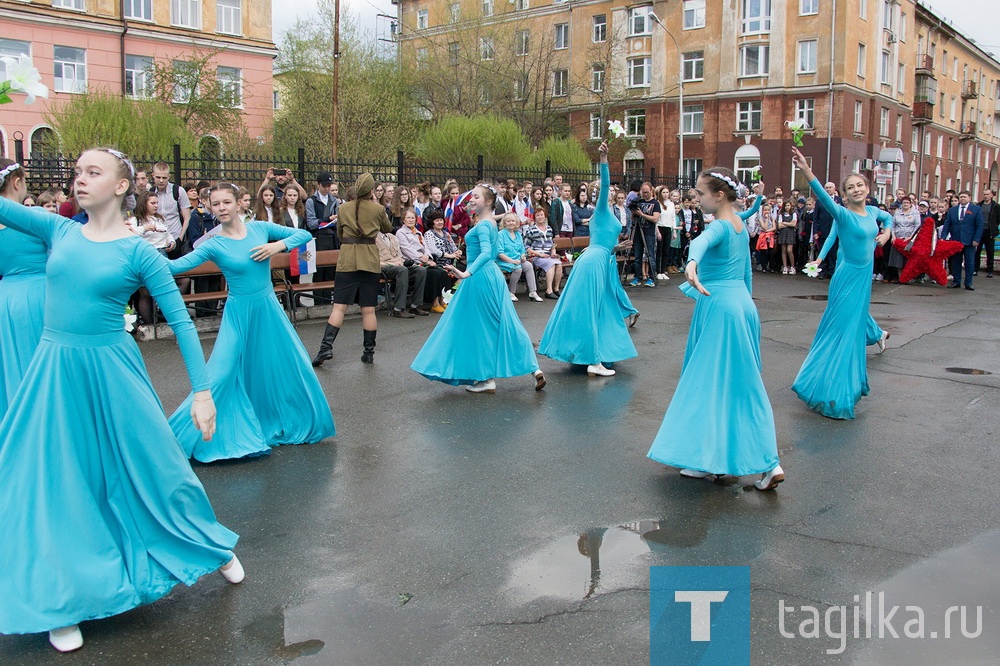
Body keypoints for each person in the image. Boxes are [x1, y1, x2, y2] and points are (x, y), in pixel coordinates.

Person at [0, 148, 242, 653]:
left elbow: (179, 321)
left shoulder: (139, 253)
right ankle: (61, 600)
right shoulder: (57, 230)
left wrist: (202, 392)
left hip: (111, 370)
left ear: (120, 187)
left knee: (154, 466)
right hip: (54, 369)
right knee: (53, 475)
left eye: (93, 172)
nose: (79, 180)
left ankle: (209, 544)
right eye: (77, 172)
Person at [167, 183, 335, 462]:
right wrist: (139, 253)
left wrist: (276, 248)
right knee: (220, 372)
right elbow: (176, 266)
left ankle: (286, 420)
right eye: (216, 204)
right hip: (238, 314)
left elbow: (304, 234)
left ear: (238, 204)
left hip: (268, 309)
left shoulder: (259, 228)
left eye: (226, 202)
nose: (221, 208)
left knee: (286, 366)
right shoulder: (215, 244)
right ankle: (177, 440)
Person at [647, 167, 783, 491]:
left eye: (700, 193)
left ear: (719, 196)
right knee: (737, 385)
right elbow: (747, 272)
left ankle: (764, 460)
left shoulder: (721, 226)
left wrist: (691, 264)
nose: (696, 198)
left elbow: (701, 242)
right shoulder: (740, 226)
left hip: (721, 309)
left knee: (707, 383)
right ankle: (711, 459)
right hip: (742, 306)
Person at [411, 184, 546, 393]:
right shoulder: (490, 222)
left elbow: (484, 253)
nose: (470, 200)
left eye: (475, 197)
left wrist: (466, 273)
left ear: (489, 201)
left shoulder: (484, 225)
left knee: (479, 328)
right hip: (491, 275)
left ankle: (487, 379)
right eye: (470, 197)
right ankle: (532, 368)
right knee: (504, 322)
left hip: (480, 277)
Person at [792, 147, 893, 420]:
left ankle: (839, 382)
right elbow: (824, 198)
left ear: (867, 187)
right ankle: (832, 391)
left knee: (855, 328)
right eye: (851, 187)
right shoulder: (844, 215)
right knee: (843, 333)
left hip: (864, 278)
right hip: (848, 278)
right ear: (845, 194)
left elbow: (889, 219)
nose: (856, 189)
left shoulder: (873, 212)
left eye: (860, 185)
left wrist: (886, 234)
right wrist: (806, 171)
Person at [538, 141, 638, 377]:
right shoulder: (602, 208)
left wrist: (616, 247)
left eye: (613, 191)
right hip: (594, 263)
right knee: (592, 310)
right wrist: (604, 160)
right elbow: (605, 184)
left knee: (599, 310)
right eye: (609, 190)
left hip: (600, 259)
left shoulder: (607, 214)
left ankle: (593, 356)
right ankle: (593, 361)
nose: (612, 191)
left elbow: (601, 242)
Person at [311, 173, 394, 366]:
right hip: (370, 261)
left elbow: (340, 234)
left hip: (347, 260)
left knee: (339, 306)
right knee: (368, 309)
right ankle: (368, 353)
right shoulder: (378, 209)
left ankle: (325, 348)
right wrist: (375, 204)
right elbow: (388, 228)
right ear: (372, 190)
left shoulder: (343, 208)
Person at [0, 160, 47, 422]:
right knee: (39, 366)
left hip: (4, 297)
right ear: (17, 182)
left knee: (10, 367)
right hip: (38, 295)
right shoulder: (33, 217)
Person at [396, 209, 452, 312]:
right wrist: (422, 259)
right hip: (412, 261)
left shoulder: (418, 233)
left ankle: (442, 301)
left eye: (413, 218)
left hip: (424, 259)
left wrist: (428, 256)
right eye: (408, 218)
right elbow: (407, 250)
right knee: (434, 274)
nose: (411, 220)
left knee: (442, 272)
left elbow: (426, 247)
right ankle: (434, 303)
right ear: (403, 220)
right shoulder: (401, 233)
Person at [377, 227, 430, 318]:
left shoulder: (393, 237)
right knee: (402, 270)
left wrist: (403, 262)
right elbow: (374, 261)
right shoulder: (373, 238)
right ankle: (398, 309)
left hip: (398, 264)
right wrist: (393, 263)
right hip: (383, 267)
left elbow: (399, 255)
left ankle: (415, 306)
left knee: (420, 270)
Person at [941, 191, 984, 291]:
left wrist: (976, 239)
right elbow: (947, 224)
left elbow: (979, 225)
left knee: (969, 263)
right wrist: (943, 237)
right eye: (961, 197)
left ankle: (968, 282)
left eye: (964, 197)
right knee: (956, 262)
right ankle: (956, 281)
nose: (962, 199)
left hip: (969, 241)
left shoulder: (976, 209)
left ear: (969, 198)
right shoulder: (953, 210)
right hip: (956, 240)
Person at [496, 211, 543, 302]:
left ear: (516, 223)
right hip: (504, 261)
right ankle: (511, 292)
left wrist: (523, 256)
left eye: (513, 221)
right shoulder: (501, 234)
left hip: (517, 260)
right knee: (518, 269)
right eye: (508, 221)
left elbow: (522, 250)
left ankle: (533, 291)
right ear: (504, 223)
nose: (511, 223)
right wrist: (512, 261)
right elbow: (500, 253)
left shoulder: (518, 234)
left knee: (528, 265)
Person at [524, 208, 564, 299]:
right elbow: (526, 247)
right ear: (534, 217)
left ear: (545, 216)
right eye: (537, 215)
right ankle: (548, 291)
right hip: (536, 256)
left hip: (548, 256)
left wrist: (553, 253)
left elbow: (552, 245)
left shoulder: (549, 229)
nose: (540, 217)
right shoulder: (531, 230)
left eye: (541, 215)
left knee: (559, 263)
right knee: (552, 263)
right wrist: (539, 254)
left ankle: (556, 289)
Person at [628, 183, 660, 287]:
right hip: (638, 231)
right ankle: (637, 277)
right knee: (638, 255)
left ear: (651, 191)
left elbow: (655, 219)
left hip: (649, 232)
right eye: (643, 192)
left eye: (647, 192)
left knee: (650, 255)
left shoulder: (655, 203)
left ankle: (651, 277)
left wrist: (642, 214)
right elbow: (632, 218)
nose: (645, 194)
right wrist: (634, 213)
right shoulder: (639, 202)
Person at [887, 196, 920, 283]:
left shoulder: (915, 213)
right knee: (898, 260)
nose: (905, 204)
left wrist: (911, 237)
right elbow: (892, 225)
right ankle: (901, 278)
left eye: (907, 203)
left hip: (910, 239)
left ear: (910, 204)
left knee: (908, 260)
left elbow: (917, 226)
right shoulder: (897, 213)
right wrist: (893, 236)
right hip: (898, 239)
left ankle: (908, 278)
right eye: (904, 203)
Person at [975, 188, 997, 278]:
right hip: (980, 230)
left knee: (990, 251)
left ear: (991, 195)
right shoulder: (979, 205)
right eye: (984, 194)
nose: (986, 196)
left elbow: (997, 219)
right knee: (977, 251)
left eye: (988, 194)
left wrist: (994, 228)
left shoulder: (995, 206)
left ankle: (990, 270)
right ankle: (975, 269)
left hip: (989, 231)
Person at [777, 200, 798, 274]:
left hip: (790, 233)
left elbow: (794, 224)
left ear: (791, 206)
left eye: (788, 205)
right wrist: (789, 224)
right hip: (783, 233)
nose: (787, 207)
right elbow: (779, 225)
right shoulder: (781, 214)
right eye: (785, 206)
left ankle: (792, 266)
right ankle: (785, 266)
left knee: (789, 250)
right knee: (783, 250)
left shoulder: (794, 214)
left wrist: (785, 223)